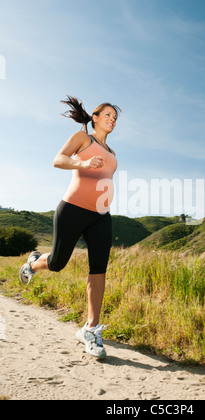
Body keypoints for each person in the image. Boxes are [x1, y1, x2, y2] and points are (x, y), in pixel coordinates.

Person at [19, 96, 121, 359]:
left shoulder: (112, 153)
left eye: (115, 118)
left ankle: (91, 329)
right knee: (57, 263)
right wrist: (83, 163)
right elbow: (58, 159)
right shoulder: (82, 138)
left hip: (101, 215)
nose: (112, 119)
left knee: (99, 269)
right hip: (73, 209)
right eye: (107, 115)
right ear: (95, 117)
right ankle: (32, 264)